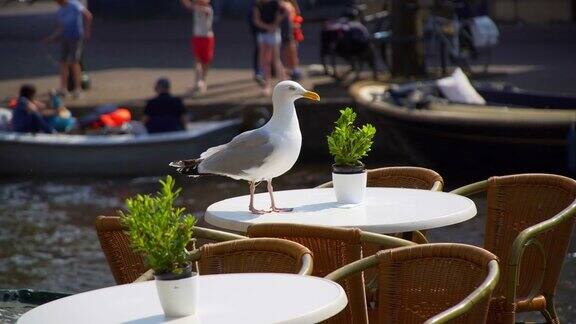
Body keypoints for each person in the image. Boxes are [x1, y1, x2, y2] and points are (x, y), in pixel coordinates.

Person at [44, 0, 92, 99]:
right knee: (63, 62)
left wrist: (87, 32)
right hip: (64, 37)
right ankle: (63, 88)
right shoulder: (59, 11)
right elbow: (61, 27)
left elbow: (88, 16)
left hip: (75, 37)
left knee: (74, 62)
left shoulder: (74, 4)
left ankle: (77, 89)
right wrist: (51, 38)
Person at [253, 0, 286, 95]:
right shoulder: (258, 5)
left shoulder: (276, 3)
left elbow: (286, 11)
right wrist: (268, 27)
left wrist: (276, 23)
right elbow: (256, 21)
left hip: (274, 33)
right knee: (265, 60)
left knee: (275, 59)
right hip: (263, 33)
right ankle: (267, 85)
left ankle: (283, 83)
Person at [181, 0, 214, 94]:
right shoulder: (197, 7)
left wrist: (191, 4)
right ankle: (198, 82)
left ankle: (203, 81)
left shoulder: (208, 9)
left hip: (207, 38)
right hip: (197, 37)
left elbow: (191, 6)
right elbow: (188, 5)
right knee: (197, 60)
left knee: (206, 61)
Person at [280, 0, 302, 80]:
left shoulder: (289, 5)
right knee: (286, 49)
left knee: (292, 48)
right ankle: (290, 70)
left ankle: (294, 69)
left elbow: (297, 12)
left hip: (290, 30)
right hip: (285, 29)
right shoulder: (282, 4)